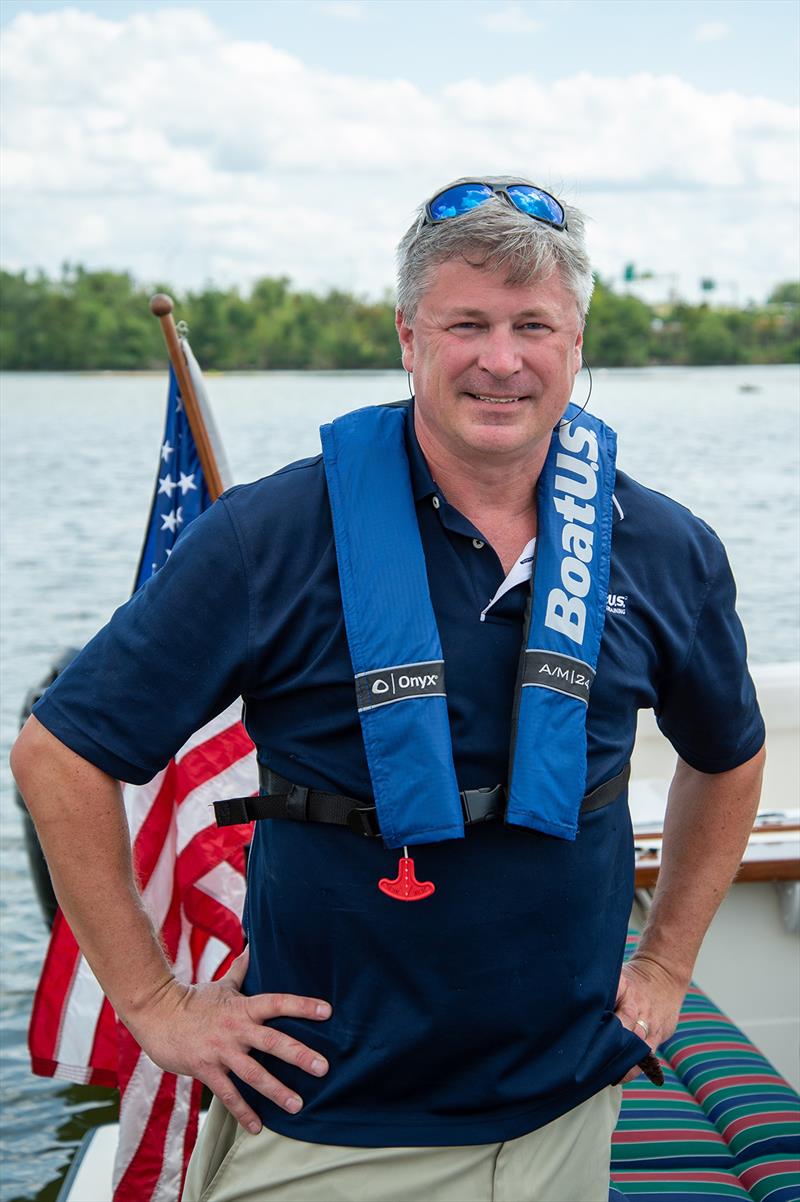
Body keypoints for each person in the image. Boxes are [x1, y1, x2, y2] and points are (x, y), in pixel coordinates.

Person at [11, 177, 765, 1202]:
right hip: (333, 1124)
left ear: (574, 342)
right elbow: (60, 753)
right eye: (466, 322)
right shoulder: (267, 538)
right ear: (409, 337)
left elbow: (726, 752)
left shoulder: (664, 546)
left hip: (567, 1103)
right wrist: (152, 1000)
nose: (500, 358)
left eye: (531, 324)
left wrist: (669, 961)